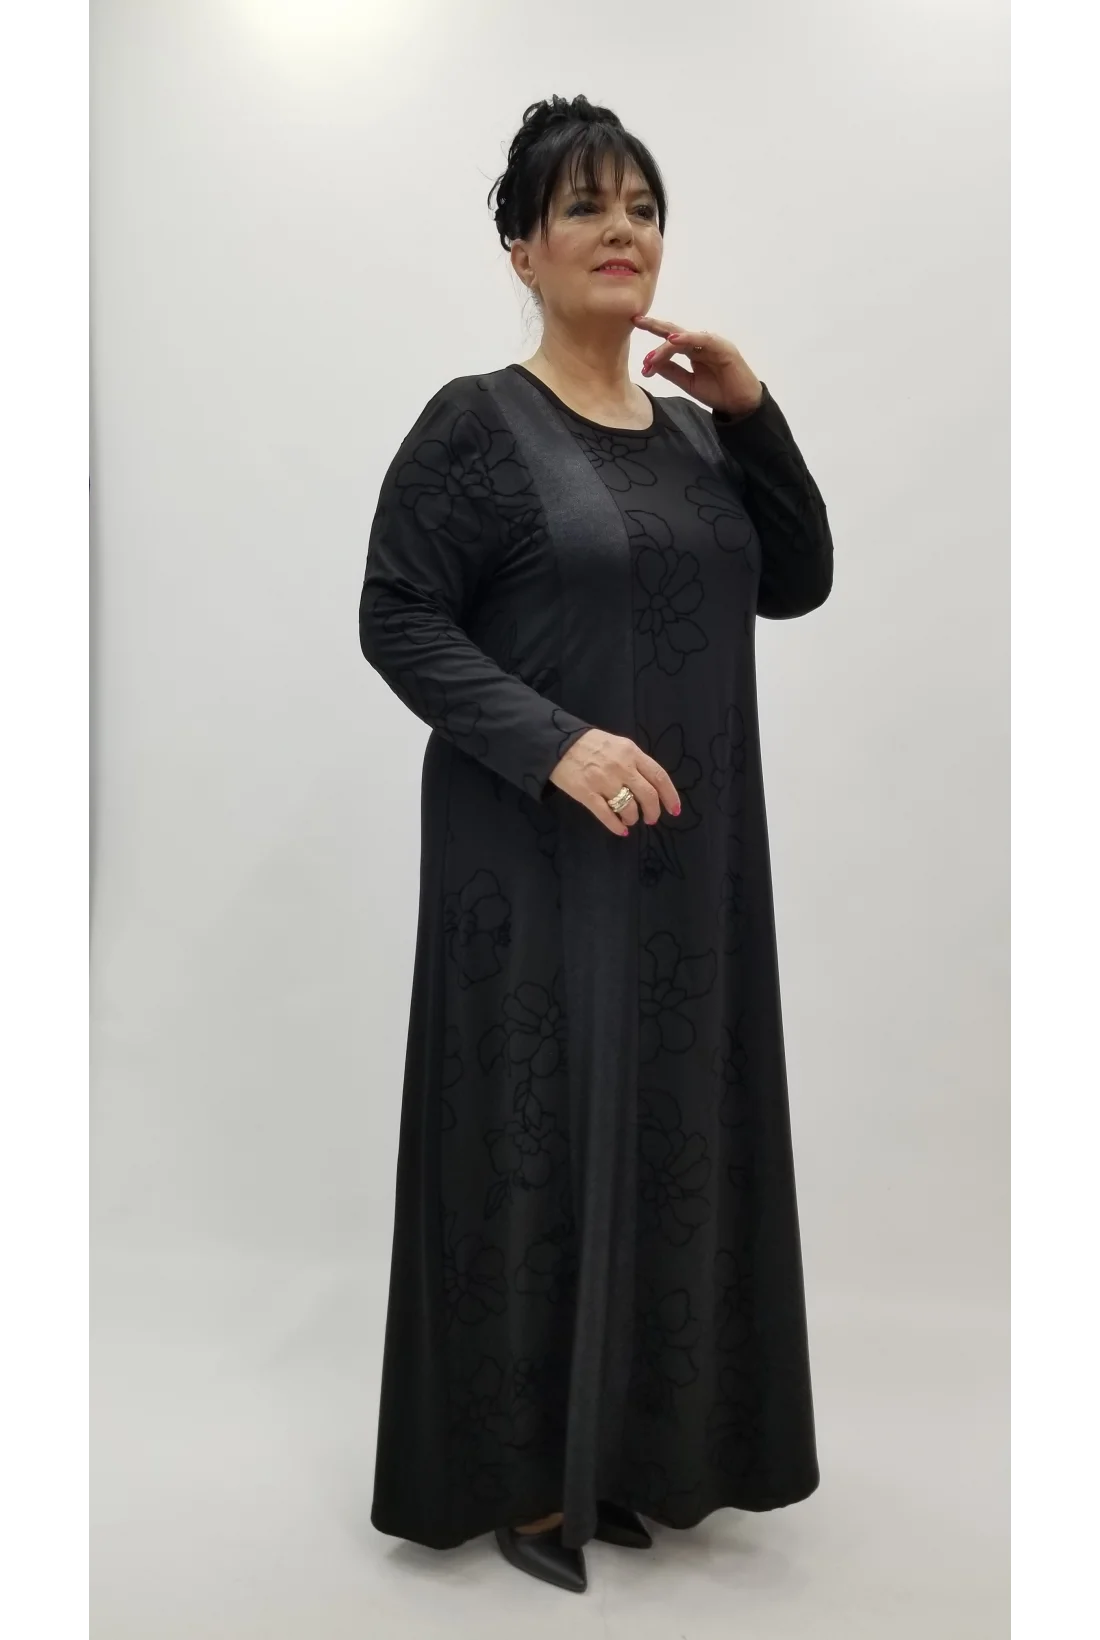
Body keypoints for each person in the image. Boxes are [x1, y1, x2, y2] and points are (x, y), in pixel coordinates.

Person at [358, 93, 834, 1595]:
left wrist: (750, 409)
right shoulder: (475, 425)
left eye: (642, 206)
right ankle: (522, 1473)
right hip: (530, 866)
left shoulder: (694, 434)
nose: (622, 230)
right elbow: (397, 616)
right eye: (585, 207)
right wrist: (554, 742)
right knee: (535, 1139)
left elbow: (797, 578)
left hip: (689, 874)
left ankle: (636, 1451)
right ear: (522, 248)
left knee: (671, 1135)